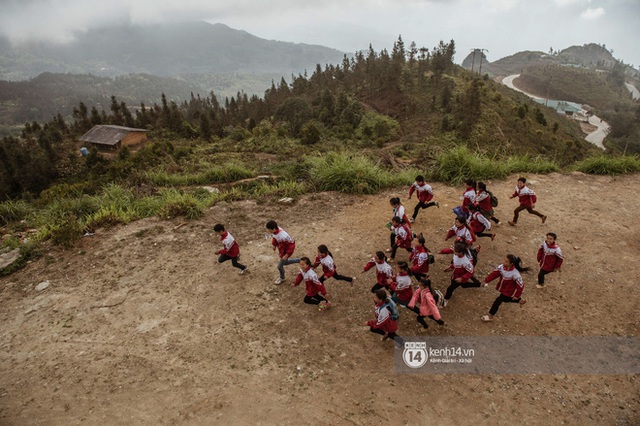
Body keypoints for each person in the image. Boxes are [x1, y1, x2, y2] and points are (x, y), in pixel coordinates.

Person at [481, 254, 529, 321]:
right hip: (504, 289)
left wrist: (517, 295)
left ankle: (490, 316)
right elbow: (494, 274)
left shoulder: (515, 274)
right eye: (504, 260)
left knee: (497, 301)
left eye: (506, 262)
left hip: (508, 291)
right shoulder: (501, 267)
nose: (504, 262)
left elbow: (520, 285)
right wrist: (486, 281)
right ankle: (520, 300)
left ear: (511, 264)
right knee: (505, 299)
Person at [442, 241, 482, 306]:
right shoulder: (456, 255)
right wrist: (450, 267)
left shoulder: (466, 261)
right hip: (455, 275)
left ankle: (446, 299)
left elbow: (471, 271)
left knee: (450, 288)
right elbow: (455, 263)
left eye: (455, 250)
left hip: (459, 277)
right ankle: (478, 284)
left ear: (460, 253)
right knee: (464, 285)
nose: (453, 251)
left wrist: (462, 278)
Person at [266, 220, 300, 285]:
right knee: (285, 262)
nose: (268, 231)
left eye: (269, 229)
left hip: (285, 252)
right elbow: (275, 238)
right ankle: (299, 260)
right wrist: (274, 245)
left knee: (279, 266)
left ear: (273, 229)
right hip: (282, 251)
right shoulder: (275, 231)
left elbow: (291, 245)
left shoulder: (283, 236)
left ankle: (282, 278)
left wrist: (287, 254)